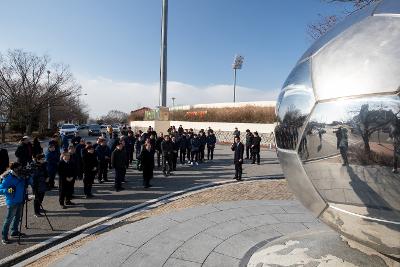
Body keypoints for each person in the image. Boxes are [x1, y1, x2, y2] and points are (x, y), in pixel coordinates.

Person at [0, 162, 31, 244]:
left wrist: (28, 177)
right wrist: (7, 191)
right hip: (12, 201)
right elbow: (1, 189)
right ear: (14, 169)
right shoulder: (8, 177)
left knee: (18, 217)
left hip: (21, 200)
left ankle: (14, 231)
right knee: (9, 219)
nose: (21, 169)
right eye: (19, 168)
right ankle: (4, 237)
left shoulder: (21, 175)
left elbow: (28, 183)